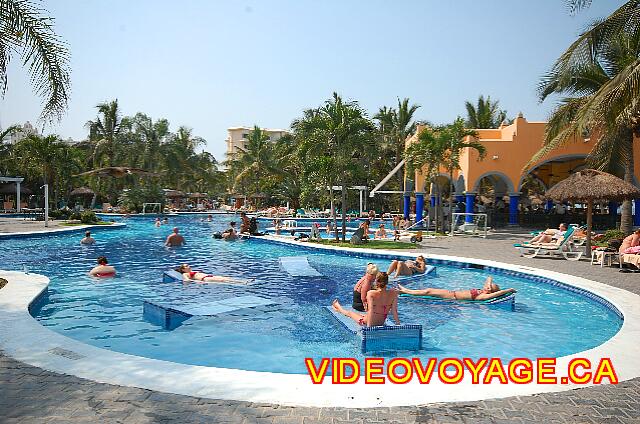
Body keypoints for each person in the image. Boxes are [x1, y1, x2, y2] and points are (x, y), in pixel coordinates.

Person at [332, 272, 399, 327]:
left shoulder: (371, 293)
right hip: (381, 323)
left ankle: (338, 306)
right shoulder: (393, 293)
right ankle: (337, 308)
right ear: (387, 282)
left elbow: (370, 310)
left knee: (350, 313)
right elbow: (394, 311)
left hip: (367, 322)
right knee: (362, 315)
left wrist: (369, 327)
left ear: (376, 281)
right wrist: (398, 324)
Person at [398, 276, 516, 301]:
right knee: (428, 289)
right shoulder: (483, 290)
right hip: (452, 293)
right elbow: (489, 278)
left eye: (489, 288)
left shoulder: (483, 296)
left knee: (428, 291)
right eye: (487, 287)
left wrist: (509, 290)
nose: (486, 288)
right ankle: (406, 290)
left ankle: (406, 291)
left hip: (452, 297)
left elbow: (496, 294)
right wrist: (490, 284)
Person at [175, 264, 247, 284]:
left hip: (209, 276)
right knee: (223, 280)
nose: (189, 266)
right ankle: (242, 282)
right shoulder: (185, 274)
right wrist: (197, 282)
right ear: (183, 269)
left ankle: (241, 281)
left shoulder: (192, 271)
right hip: (205, 279)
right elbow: (186, 281)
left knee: (226, 278)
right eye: (186, 266)